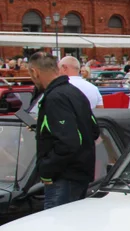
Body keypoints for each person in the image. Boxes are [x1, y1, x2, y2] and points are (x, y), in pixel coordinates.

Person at [27, 53, 100, 209]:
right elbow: (93, 130)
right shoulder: (75, 92)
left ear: (35, 72)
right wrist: (43, 129)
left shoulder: (55, 97)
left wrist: (46, 169)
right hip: (80, 175)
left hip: (63, 178)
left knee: (58, 228)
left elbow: (69, 142)